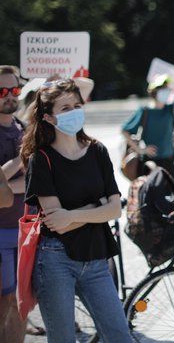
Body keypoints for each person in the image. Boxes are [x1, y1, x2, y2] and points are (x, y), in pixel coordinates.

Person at [20, 78, 130, 342]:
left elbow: (115, 210)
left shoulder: (98, 151)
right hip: (55, 260)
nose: (74, 112)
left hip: (96, 260)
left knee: (120, 336)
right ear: (49, 118)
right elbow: (57, 223)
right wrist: (96, 209)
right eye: (65, 108)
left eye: (77, 105)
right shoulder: (41, 159)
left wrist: (73, 215)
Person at [0, 65, 27, 341]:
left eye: (14, 90)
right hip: (1, 234)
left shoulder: (24, 128)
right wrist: (21, 161)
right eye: (2, 91)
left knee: (22, 306)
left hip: (26, 232)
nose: (9, 96)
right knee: (3, 305)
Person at [121, 74, 174, 176]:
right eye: (163, 89)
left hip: (169, 161)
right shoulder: (145, 111)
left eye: (167, 89)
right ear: (154, 91)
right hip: (150, 162)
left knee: (170, 191)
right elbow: (124, 130)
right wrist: (140, 150)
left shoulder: (170, 109)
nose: (167, 92)